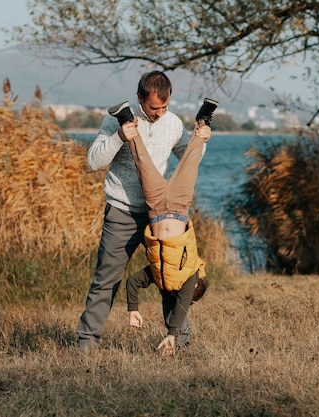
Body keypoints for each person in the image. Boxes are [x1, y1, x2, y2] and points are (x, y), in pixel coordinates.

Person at [75, 70, 211, 351]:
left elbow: (188, 159)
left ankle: (180, 344)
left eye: (165, 106)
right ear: (140, 99)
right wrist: (119, 138)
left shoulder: (172, 123)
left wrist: (203, 139)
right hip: (122, 212)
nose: (160, 112)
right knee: (106, 279)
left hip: (158, 213)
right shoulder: (114, 123)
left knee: (172, 276)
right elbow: (93, 161)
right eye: (153, 107)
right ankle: (86, 343)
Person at [108, 96, 217, 356]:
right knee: (191, 161)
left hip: (156, 208)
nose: (178, 294)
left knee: (142, 163)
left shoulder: (158, 274)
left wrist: (133, 309)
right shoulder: (189, 275)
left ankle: (125, 119)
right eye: (186, 295)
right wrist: (171, 335)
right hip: (179, 206)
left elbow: (133, 283)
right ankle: (203, 122)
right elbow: (180, 307)